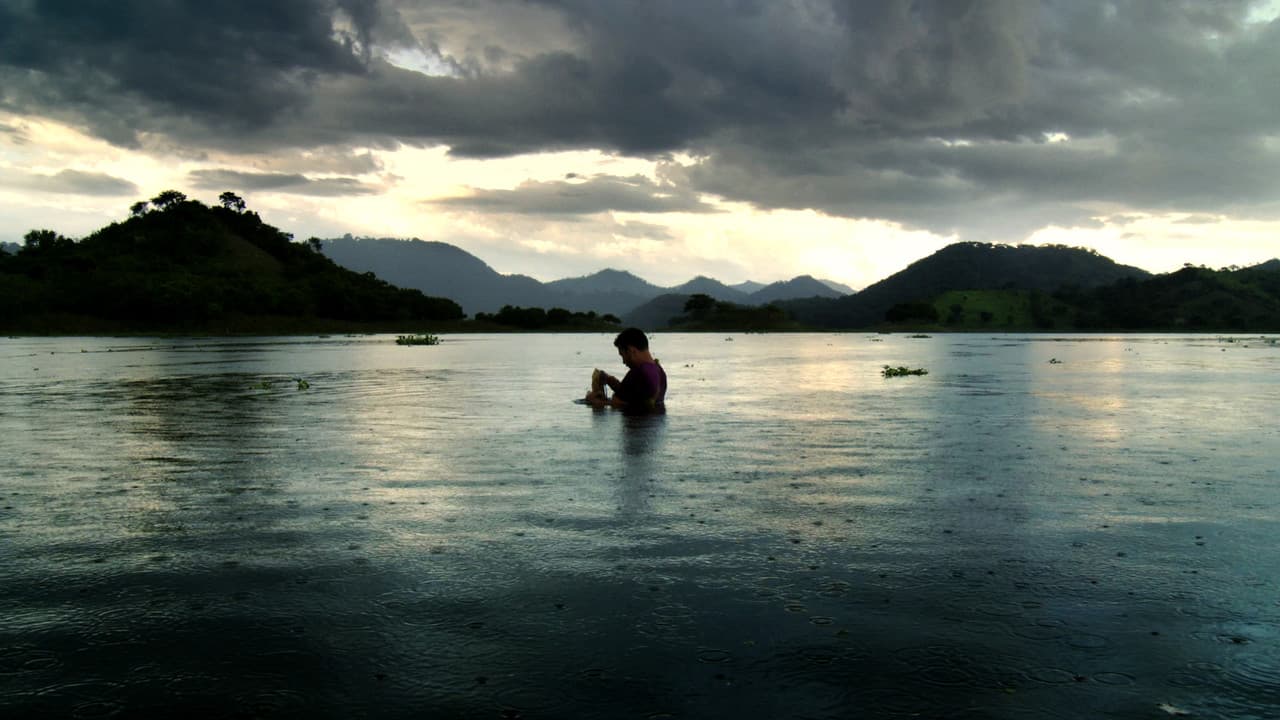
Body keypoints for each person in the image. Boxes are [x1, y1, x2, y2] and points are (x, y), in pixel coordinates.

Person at [586, 327, 667, 413]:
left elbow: (617, 403)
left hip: (637, 423)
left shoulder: (638, 372)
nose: (623, 362)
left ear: (631, 351)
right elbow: (636, 397)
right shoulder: (659, 371)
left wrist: (592, 400)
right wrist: (610, 380)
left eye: (622, 355)